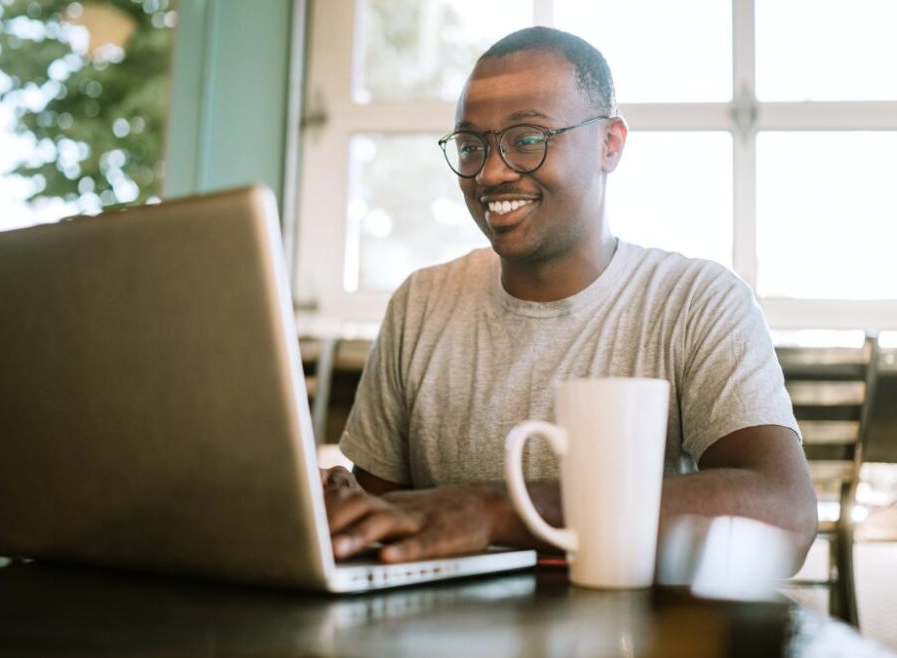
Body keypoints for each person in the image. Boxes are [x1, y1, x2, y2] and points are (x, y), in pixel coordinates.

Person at [322, 26, 817, 571]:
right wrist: (343, 510)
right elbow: (387, 523)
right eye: (470, 147)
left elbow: (784, 514)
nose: (490, 172)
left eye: (527, 139)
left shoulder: (696, 303)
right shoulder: (421, 304)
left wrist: (498, 508)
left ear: (610, 144)